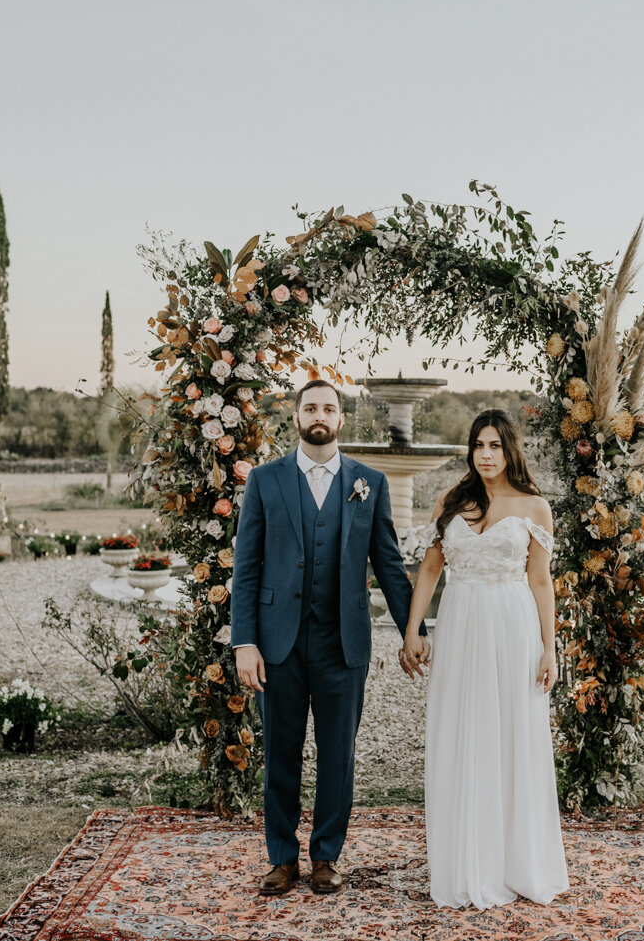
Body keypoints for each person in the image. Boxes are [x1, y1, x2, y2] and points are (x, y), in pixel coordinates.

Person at [229, 379, 425, 897]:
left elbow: (388, 564)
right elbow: (246, 568)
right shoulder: (265, 481)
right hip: (277, 644)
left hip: (344, 646)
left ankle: (326, 856)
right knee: (281, 752)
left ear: (341, 419)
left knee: (338, 754)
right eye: (310, 406)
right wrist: (243, 641)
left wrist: (413, 631)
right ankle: (281, 858)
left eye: (329, 408)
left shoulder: (370, 483)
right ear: (296, 417)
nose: (319, 414)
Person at [403, 408, 569, 908]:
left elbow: (541, 581)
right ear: (470, 450)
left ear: (510, 449)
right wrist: (413, 629)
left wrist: (549, 648)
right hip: (460, 626)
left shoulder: (534, 507)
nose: (486, 454)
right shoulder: (452, 502)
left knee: (513, 735)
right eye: (479, 445)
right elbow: (430, 573)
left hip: (511, 626)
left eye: (495, 445)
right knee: (463, 733)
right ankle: (466, 860)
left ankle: (517, 863)